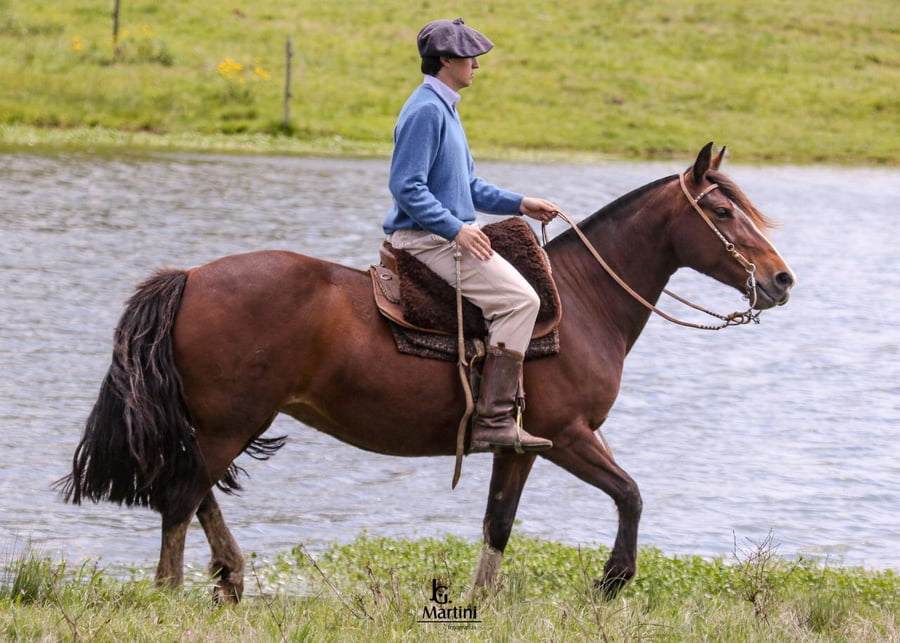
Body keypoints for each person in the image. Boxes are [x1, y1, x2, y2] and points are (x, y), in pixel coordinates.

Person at [383, 18, 559, 452]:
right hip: (427, 240)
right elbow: (407, 186)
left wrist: (520, 202)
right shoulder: (426, 110)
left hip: (446, 234)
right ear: (446, 60)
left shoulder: (444, 107)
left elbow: (469, 186)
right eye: (470, 57)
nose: (477, 65)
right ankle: (495, 420)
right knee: (522, 300)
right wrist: (456, 229)